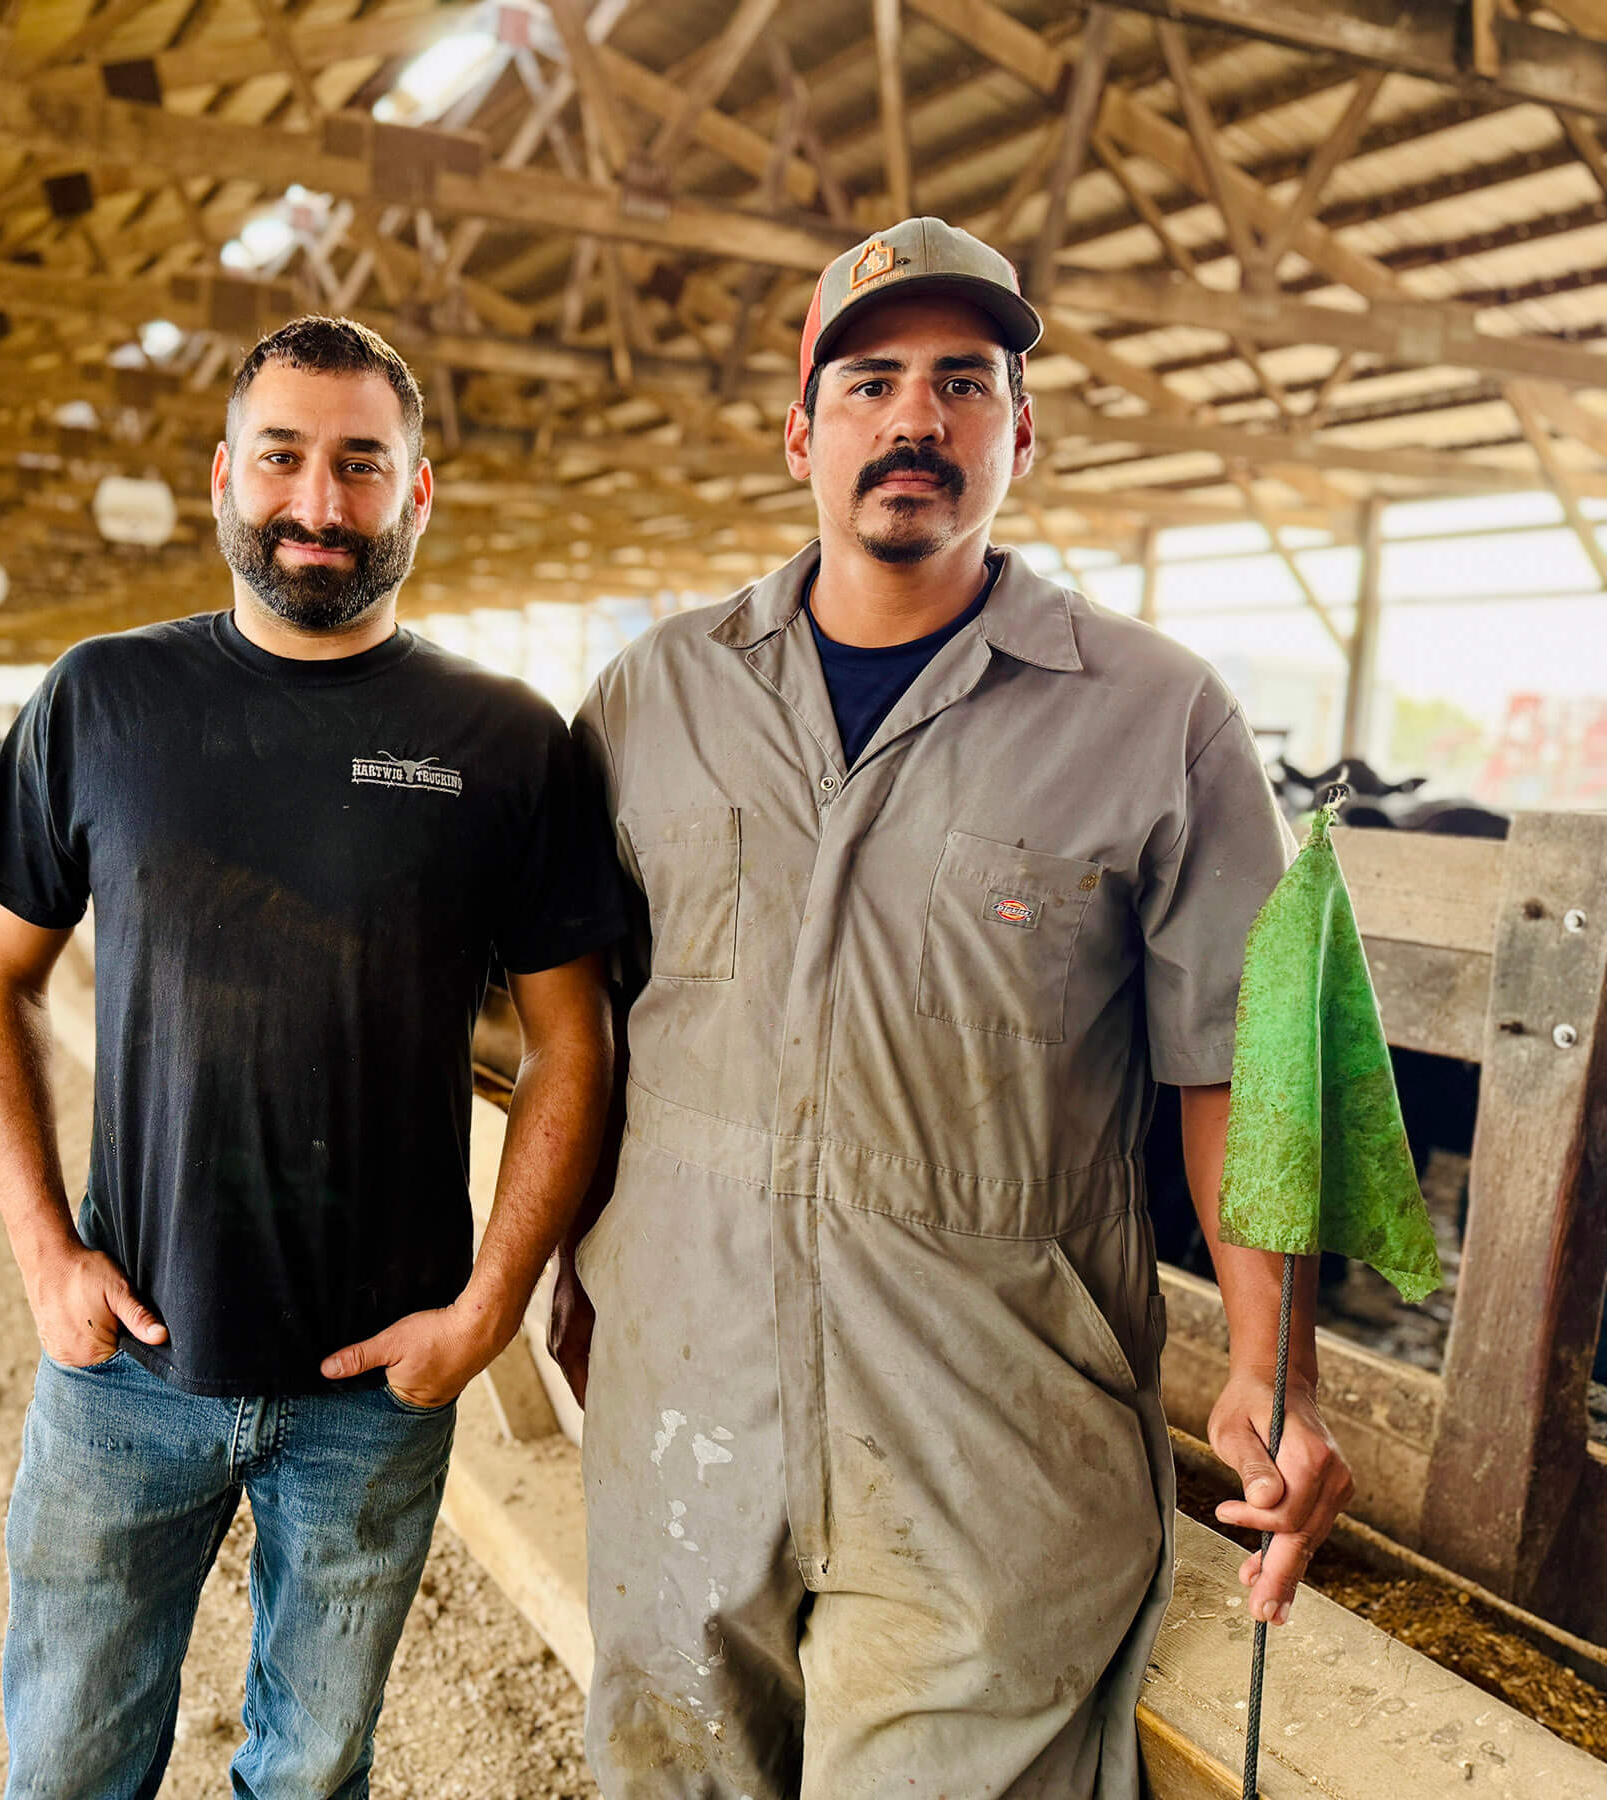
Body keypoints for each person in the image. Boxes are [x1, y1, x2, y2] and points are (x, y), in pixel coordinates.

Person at [549, 218, 1357, 1798]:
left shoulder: (1156, 720)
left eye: (962, 383)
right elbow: (588, 1021)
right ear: (802, 434)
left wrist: (1278, 1365)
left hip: (988, 1434)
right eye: (867, 384)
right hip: (684, 1409)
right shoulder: (654, 698)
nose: (913, 420)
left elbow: (1234, 1074)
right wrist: (576, 1257)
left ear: (1020, 433)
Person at [0, 315, 623, 1800]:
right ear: (221, 477)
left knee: (313, 1773)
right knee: (65, 1762)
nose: (318, 504)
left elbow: (575, 1041)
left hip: (374, 1389)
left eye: (360, 465)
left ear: (419, 493)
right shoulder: (102, 700)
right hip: (128, 1360)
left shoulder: (506, 743)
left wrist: (489, 1305)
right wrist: (42, 1251)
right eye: (284, 458)